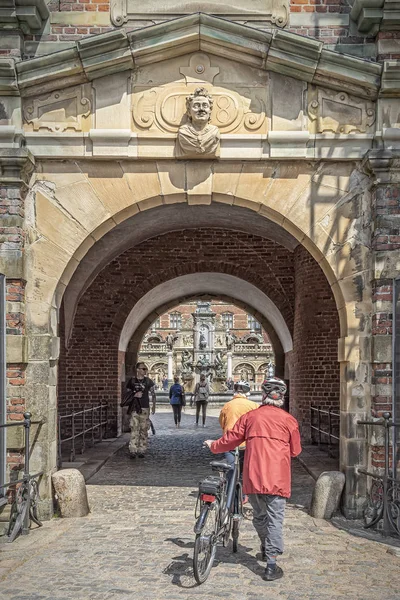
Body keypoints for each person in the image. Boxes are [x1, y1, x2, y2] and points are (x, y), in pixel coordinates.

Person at [204, 376, 301, 582]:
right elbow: (296, 450)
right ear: (281, 398)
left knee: (259, 515)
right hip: (277, 477)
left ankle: (266, 545)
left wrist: (213, 445)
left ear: (263, 396)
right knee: (275, 518)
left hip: (254, 475)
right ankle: (271, 563)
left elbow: (230, 440)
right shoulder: (289, 420)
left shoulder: (251, 418)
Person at [218, 380, 259, 489]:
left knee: (231, 469)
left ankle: (229, 493)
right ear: (247, 393)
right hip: (247, 442)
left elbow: (222, 423)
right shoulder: (254, 405)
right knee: (246, 469)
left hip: (230, 442)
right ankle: (245, 493)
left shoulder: (227, 405)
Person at [126, 362, 156, 459]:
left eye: (145, 369)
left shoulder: (148, 381)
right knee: (134, 428)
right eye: (143, 369)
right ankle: (133, 450)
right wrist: (134, 395)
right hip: (135, 407)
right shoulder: (132, 381)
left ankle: (142, 449)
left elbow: (153, 393)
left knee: (144, 429)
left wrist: (154, 405)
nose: (145, 370)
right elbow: (126, 395)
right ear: (138, 369)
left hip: (145, 407)